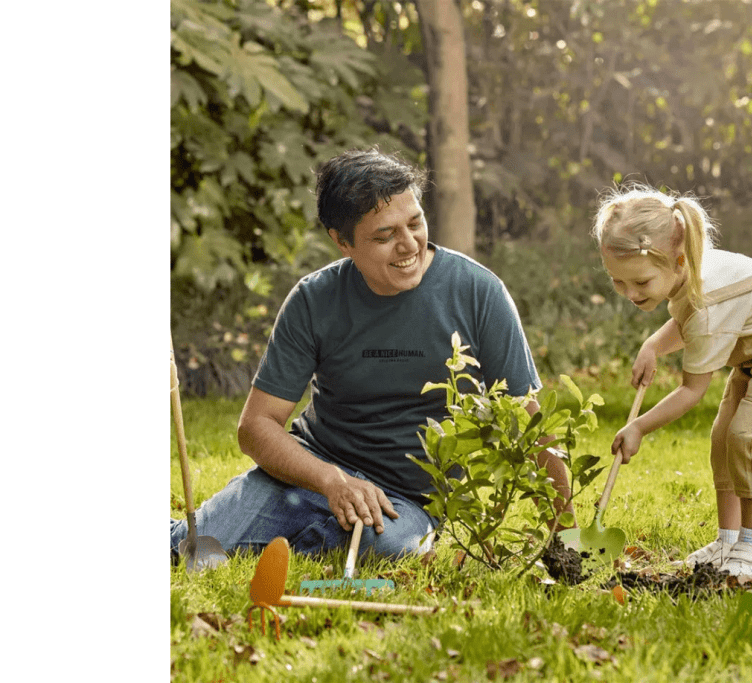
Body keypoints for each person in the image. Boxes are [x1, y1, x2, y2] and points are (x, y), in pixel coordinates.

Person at [171, 148, 574, 562]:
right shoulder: (314, 299)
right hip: (308, 477)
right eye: (384, 236)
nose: (408, 245)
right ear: (342, 241)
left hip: (404, 500)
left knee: (385, 548)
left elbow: (530, 421)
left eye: (415, 223)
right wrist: (331, 480)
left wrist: (567, 539)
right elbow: (256, 425)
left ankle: (313, 544)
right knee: (187, 547)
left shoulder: (478, 292)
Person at [593, 184, 752, 584]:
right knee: (722, 436)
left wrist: (638, 426)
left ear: (678, 261)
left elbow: (691, 391)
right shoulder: (690, 271)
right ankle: (728, 540)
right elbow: (684, 318)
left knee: (745, 436)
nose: (629, 294)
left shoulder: (709, 302)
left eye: (640, 283)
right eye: (618, 282)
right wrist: (654, 344)